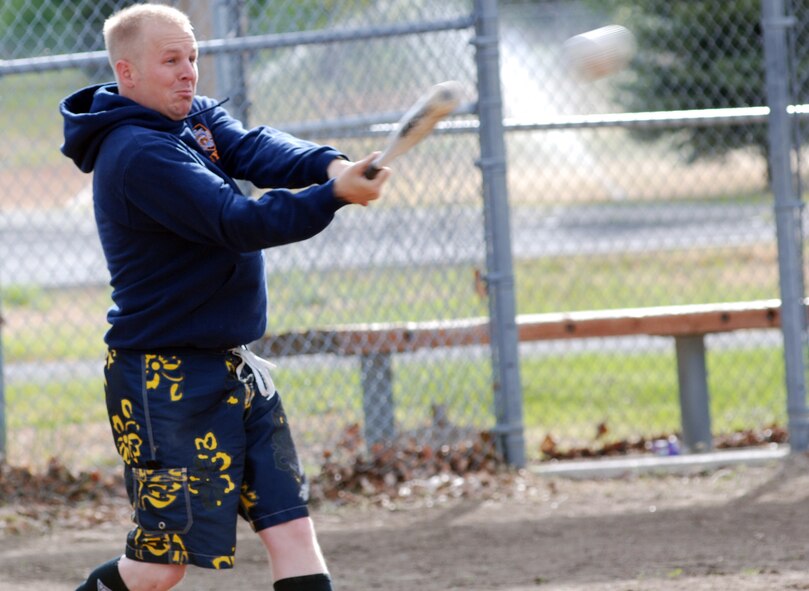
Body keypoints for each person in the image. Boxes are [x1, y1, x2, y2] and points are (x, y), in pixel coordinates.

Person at [60, 3, 389, 590]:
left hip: (233, 368)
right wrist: (332, 195)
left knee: (291, 531)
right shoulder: (138, 153)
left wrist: (329, 164)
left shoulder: (191, 123)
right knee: (160, 568)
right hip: (165, 380)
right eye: (171, 61)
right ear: (126, 73)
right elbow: (236, 221)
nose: (189, 72)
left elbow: (255, 149)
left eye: (192, 57)